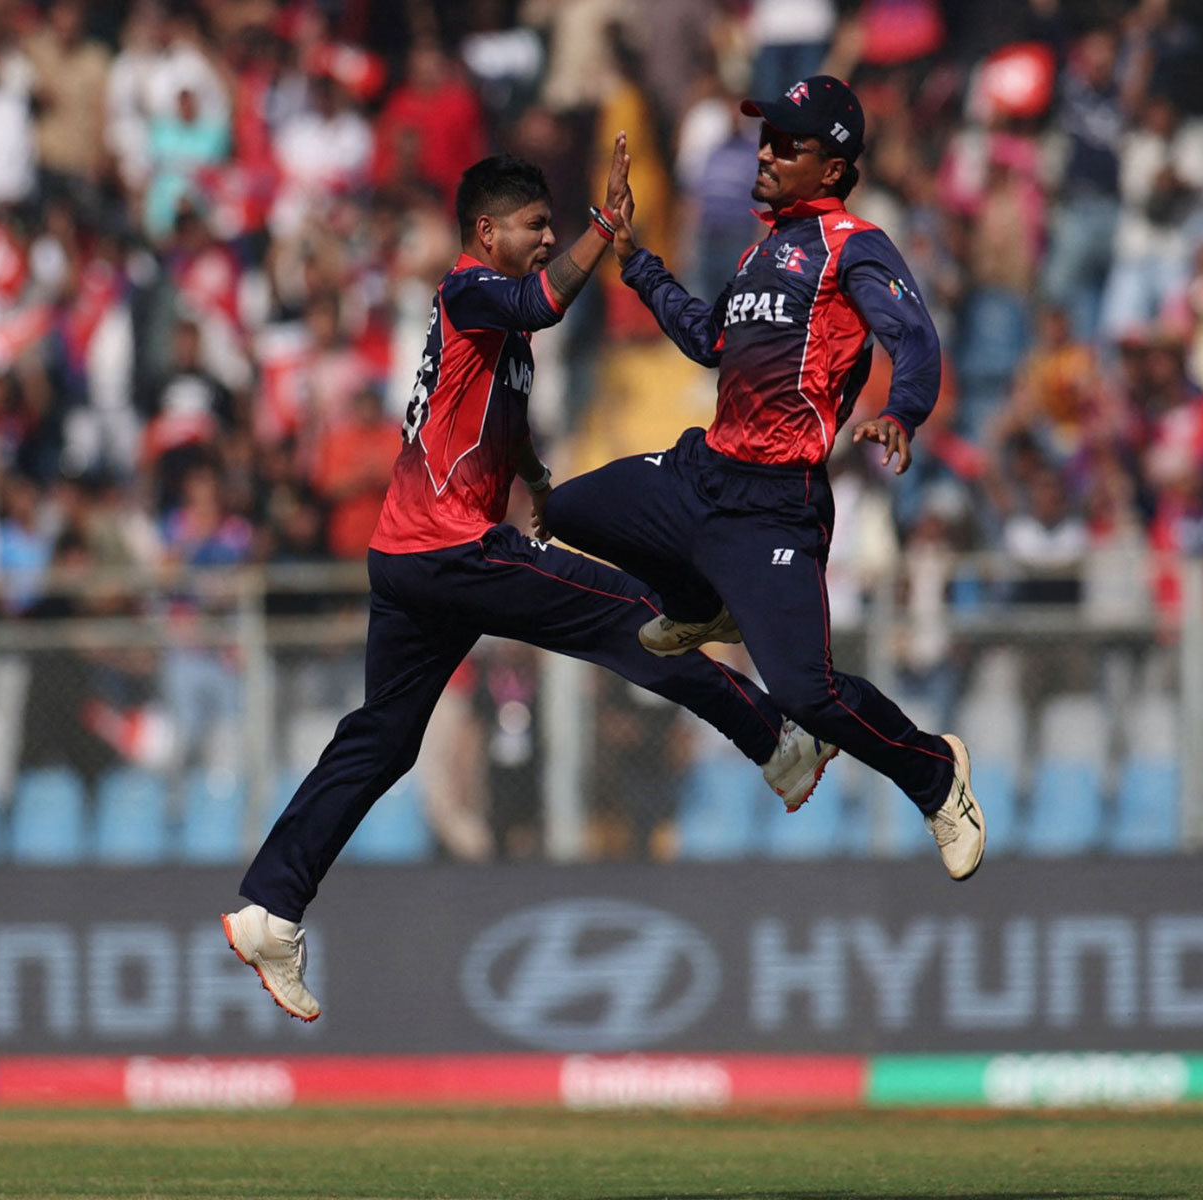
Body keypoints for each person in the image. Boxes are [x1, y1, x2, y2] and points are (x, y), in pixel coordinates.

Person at [223, 141, 834, 1021]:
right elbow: (544, 303)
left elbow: (500, 428)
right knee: (633, 611)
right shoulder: (471, 290)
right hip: (449, 550)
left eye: (554, 225)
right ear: (486, 231)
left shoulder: (501, 336)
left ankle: (270, 907)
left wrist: (541, 485)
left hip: (409, 558)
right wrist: (603, 229)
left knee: (384, 740)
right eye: (535, 225)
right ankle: (775, 746)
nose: (549, 239)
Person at [542, 76, 985, 882]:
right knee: (565, 507)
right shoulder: (759, 251)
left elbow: (912, 337)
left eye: (790, 142)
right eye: (766, 135)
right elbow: (713, 338)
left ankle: (936, 776)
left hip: (774, 508)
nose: (769, 151)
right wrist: (637, 264)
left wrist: (906, 413)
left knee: (806, 697)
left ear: (835, 166)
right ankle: (699, 603)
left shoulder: (855, 244)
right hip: (703, 474)